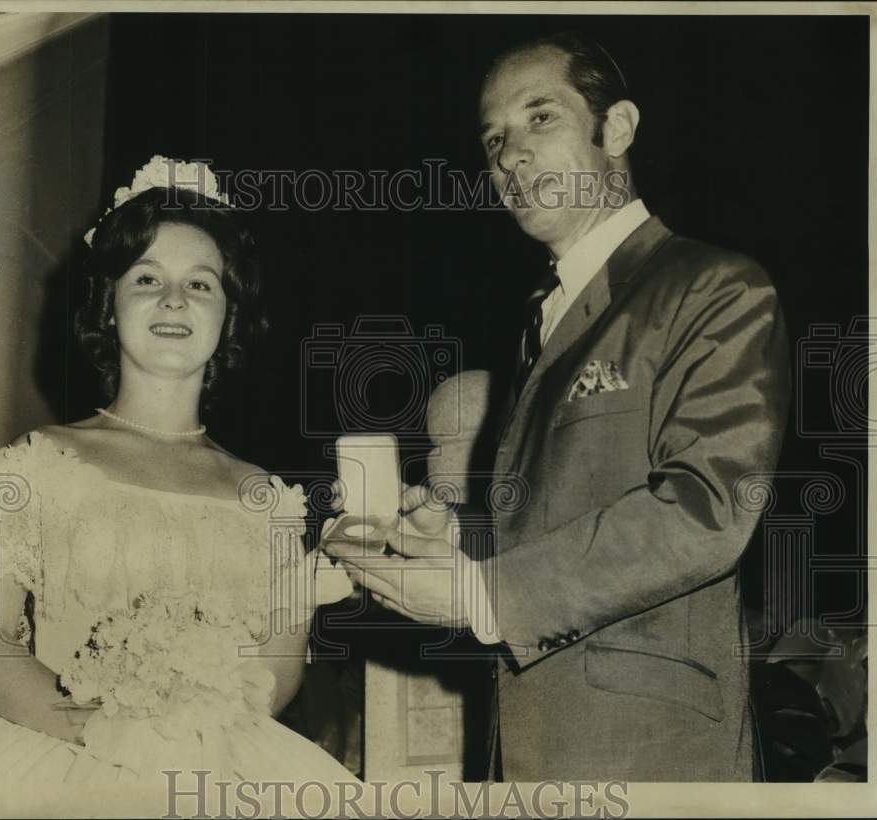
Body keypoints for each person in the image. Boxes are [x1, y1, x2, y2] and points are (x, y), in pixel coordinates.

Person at [325, 32, 790, 782]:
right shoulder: (540, 323)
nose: (510, 155)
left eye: (540, 118)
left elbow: (709, 508)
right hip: (530, 751)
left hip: (651, 755)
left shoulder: (713, 287)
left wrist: (482, 591)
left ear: (619, 128)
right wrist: (453, 544)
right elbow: (562, 522)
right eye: (494, 139)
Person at [0, 157, 356, 814]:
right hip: (62, 762)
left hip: (224, 774)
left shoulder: (270, 498)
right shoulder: (35, 466)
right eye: (147, 278)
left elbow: (279, 669)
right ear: (108, 306)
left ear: (229, 317)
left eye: (201, 285)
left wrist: (196, 734)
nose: (175, 300)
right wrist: (102, 730)